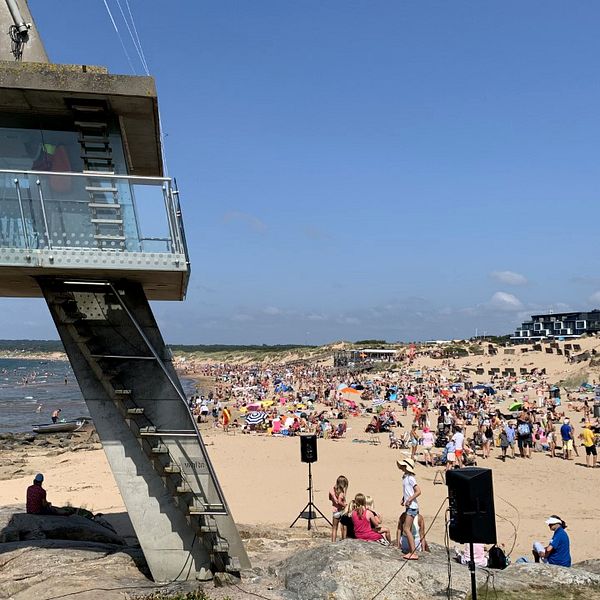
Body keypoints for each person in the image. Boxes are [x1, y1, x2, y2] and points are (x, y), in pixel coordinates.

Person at [397, 458, 421, 560]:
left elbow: (418, 491)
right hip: (409, 506)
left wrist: (410, 499)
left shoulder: (411, 478)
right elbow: (408, 491)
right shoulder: (405, 477)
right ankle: (412, 550)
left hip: (412, 507)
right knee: (409, 528)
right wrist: (404, 499)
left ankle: (413, 552)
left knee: (406, 529)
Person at [329, 475, 349, 542]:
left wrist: (334, 499)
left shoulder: (332, 490)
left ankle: (333, 541)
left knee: (334, 527)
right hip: (342, 510)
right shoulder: (341, 493)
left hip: (335, 510)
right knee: (344, 527)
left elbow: (329, 498)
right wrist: (345, 505)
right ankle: (344, 540)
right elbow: (339, 501)